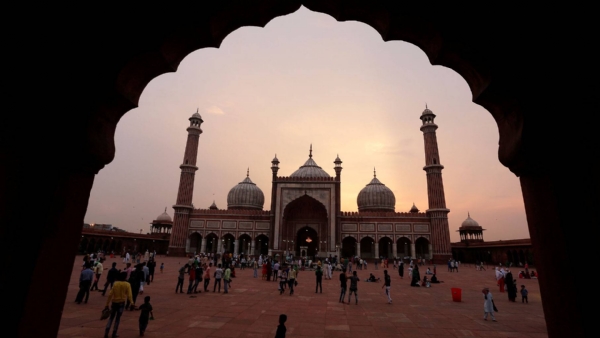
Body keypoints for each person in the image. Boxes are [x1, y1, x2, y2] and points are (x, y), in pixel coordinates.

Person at [104, 272, 134, 338]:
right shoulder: (127, 284)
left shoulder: (115, 283)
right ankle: (114, 333)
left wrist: (107, 304)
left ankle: (106, 332)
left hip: (114, 302)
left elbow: (110, 294)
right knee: (117, 318)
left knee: (111, 318)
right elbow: (129, 295)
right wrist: (132, 303)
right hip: (121, 303)